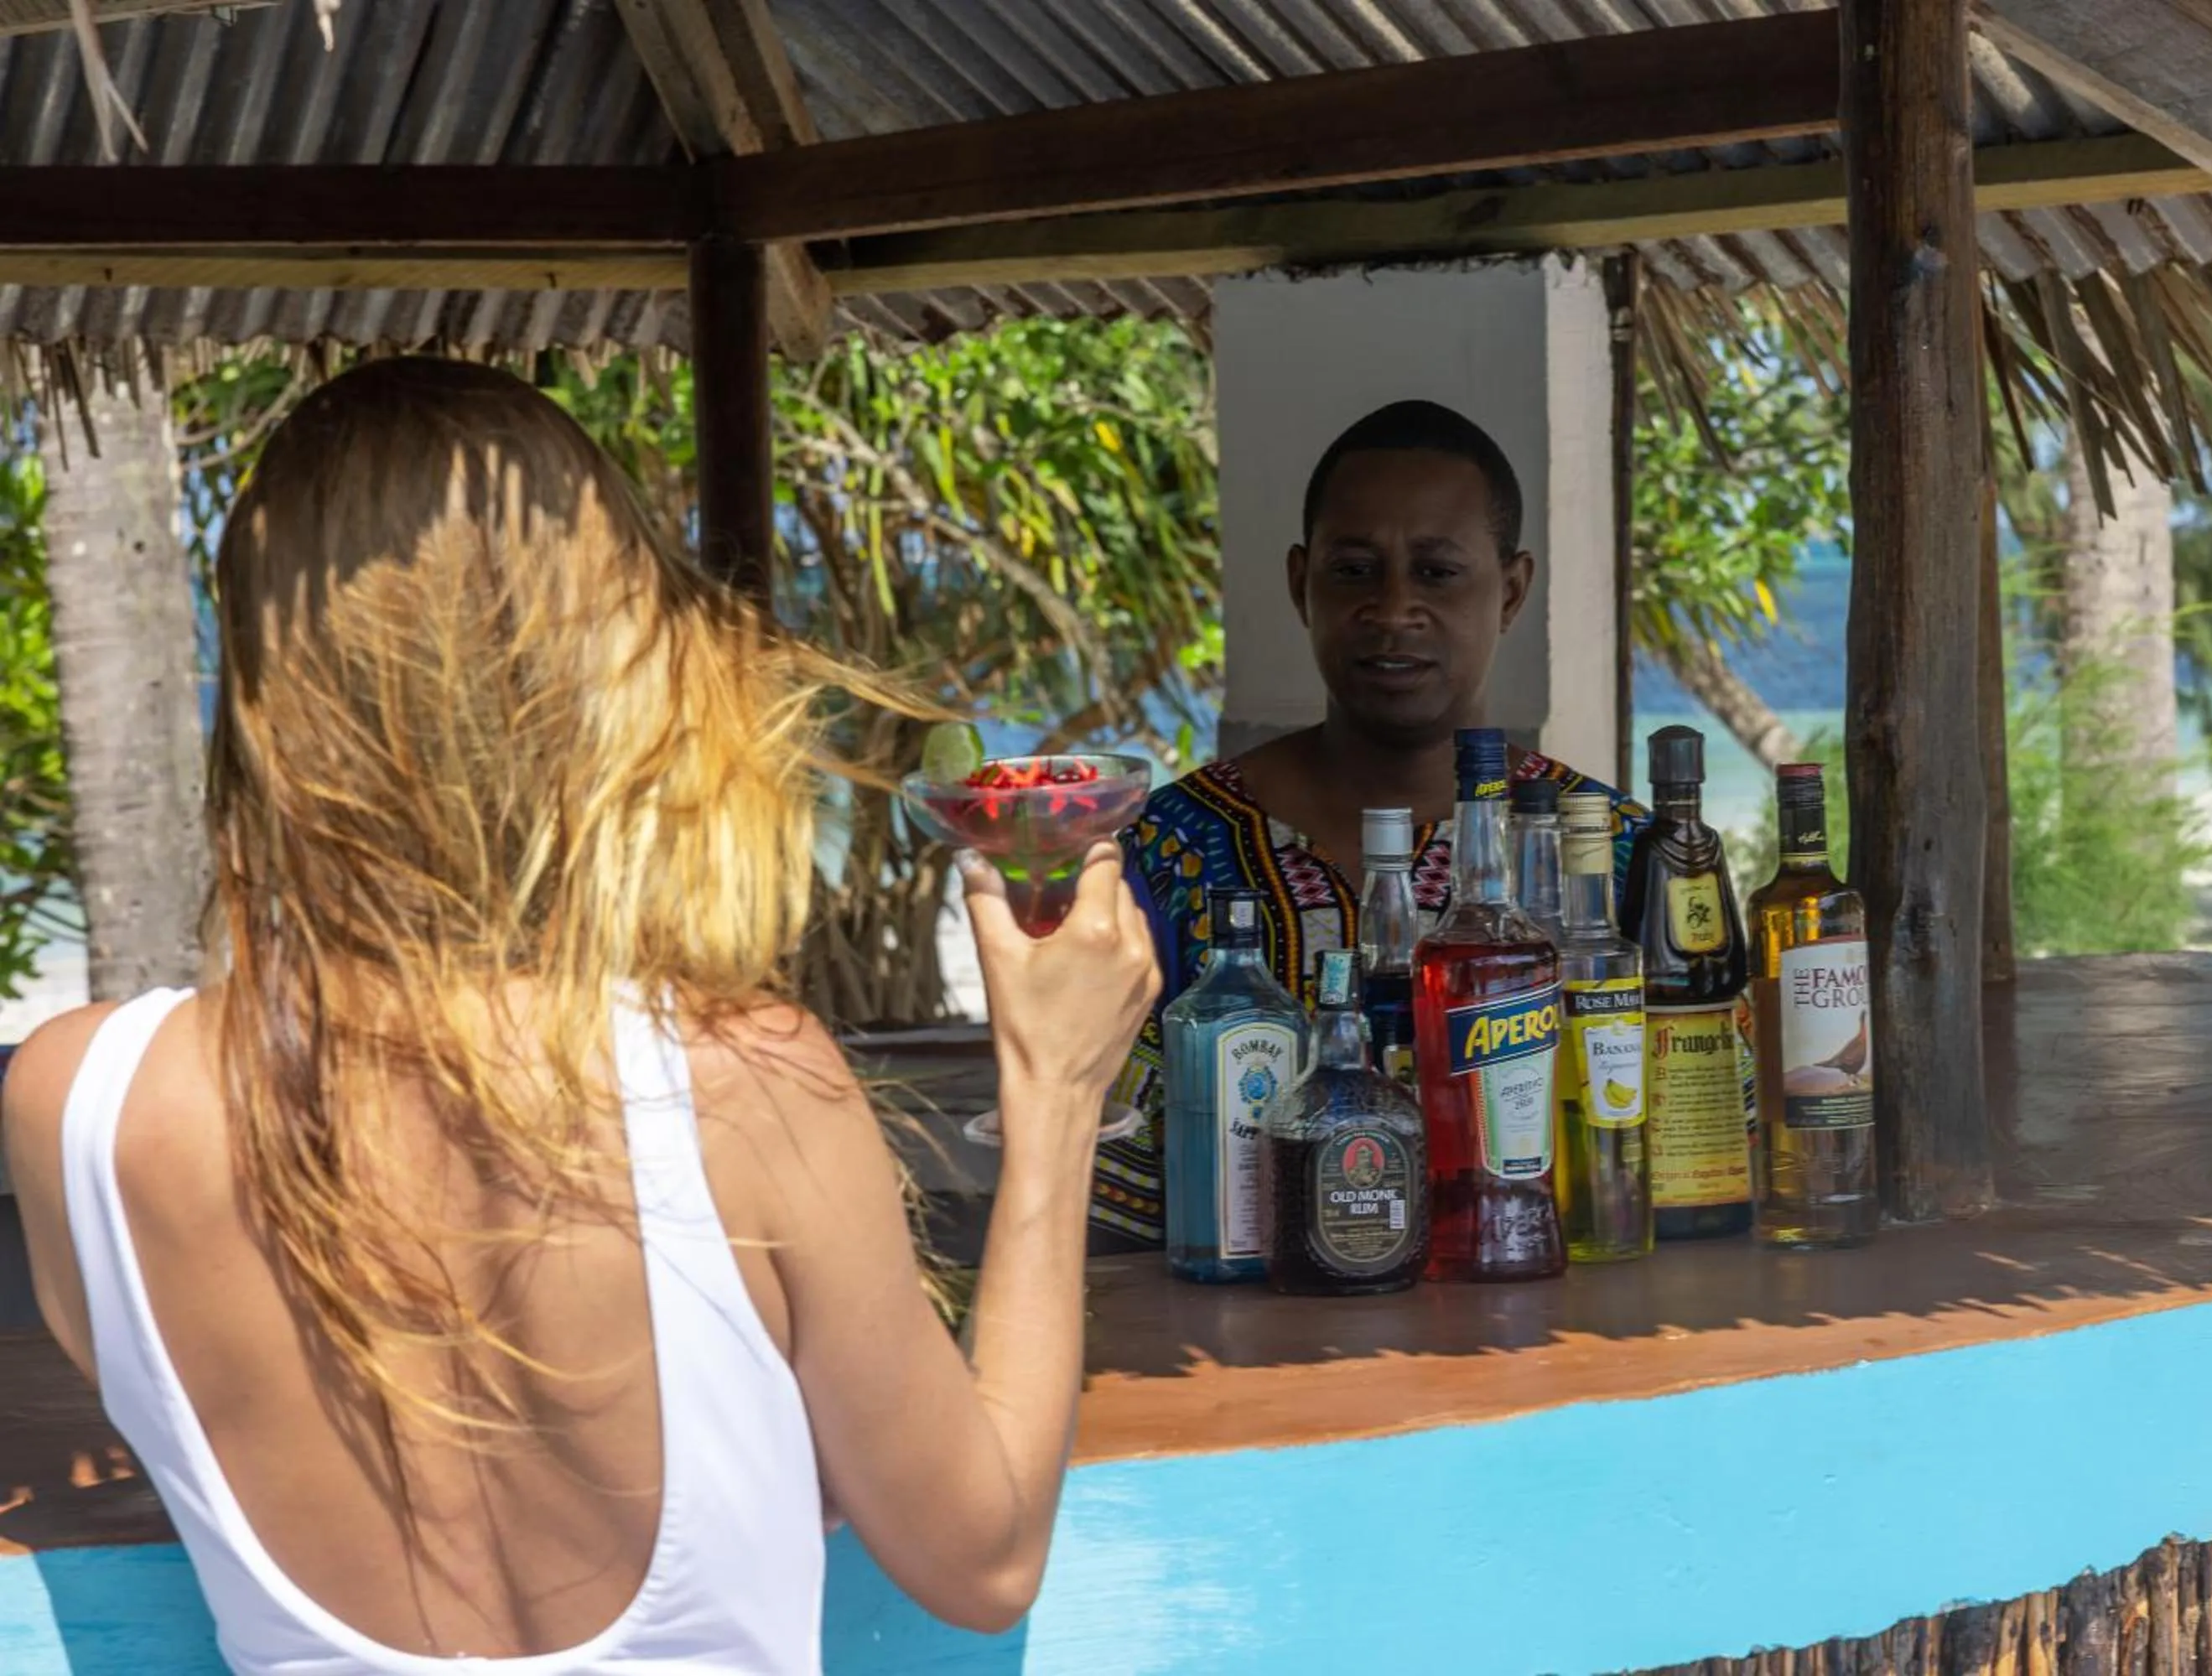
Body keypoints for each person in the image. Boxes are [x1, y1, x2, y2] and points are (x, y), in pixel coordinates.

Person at [0, 358, 1156, 1673]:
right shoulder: (741, 1086)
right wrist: (1055, 1086)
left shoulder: (73, 1102)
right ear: (585, 685)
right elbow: (982, 1557)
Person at [1096, 399, 1646, 1247]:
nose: (1392, 610)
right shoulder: (1167, 852)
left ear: (1510, 590)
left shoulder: (1610, 854)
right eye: (1353, 570)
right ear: (1298, 583)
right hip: (1240, 1341)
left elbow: (1693, 1153)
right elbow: (1105, 1179)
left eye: (1435, 572)